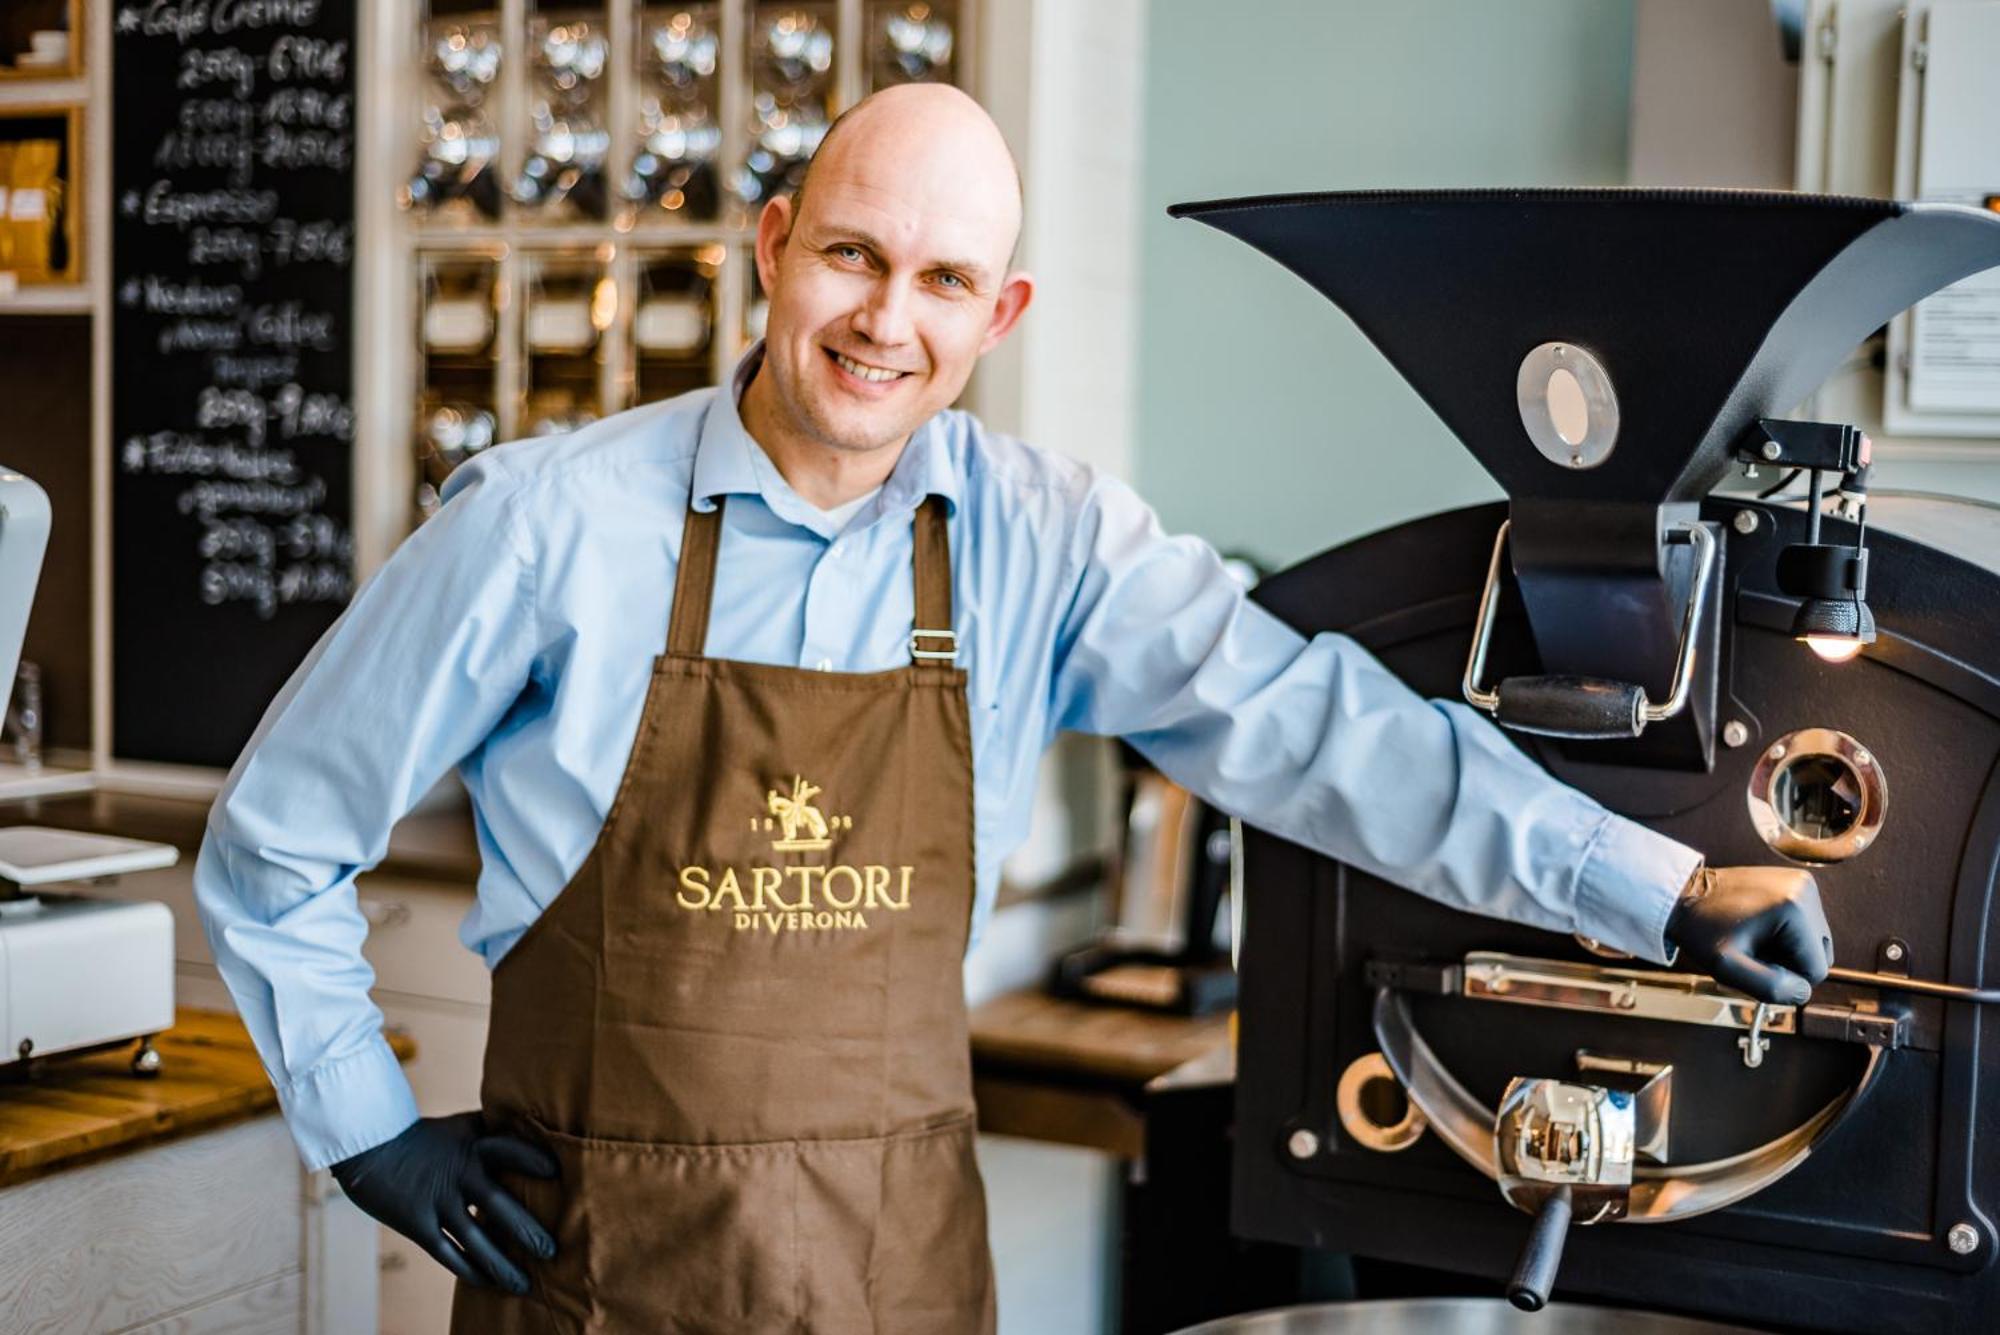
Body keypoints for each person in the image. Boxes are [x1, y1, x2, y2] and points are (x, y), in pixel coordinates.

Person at [194, 83, 1830, 1332]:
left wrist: (1664, 891)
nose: (883, 320)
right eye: (850, 253)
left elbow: (1331, 737)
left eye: (941, 278)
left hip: (901, 1278)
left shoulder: (1045, 538)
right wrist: (370, 1135)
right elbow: (275, 843)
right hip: (601, 1287)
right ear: (774, 244)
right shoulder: (543, 524)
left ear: (1001, 313)